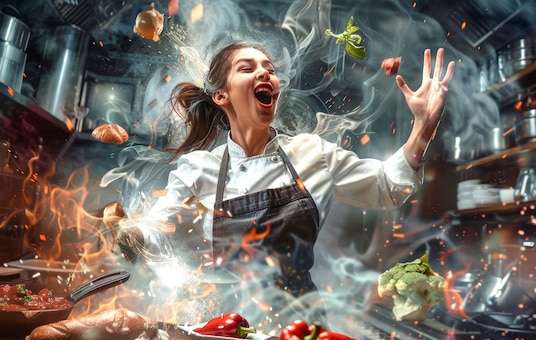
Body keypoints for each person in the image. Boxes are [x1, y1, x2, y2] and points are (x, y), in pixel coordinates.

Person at [107, 41, 454, 323]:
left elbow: (386, 186)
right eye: (248, 68)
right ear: (221, 96)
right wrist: (134, 235)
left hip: (300, 329)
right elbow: (159, 226)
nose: (266, 73)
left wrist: (423, 127)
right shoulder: (197, 168)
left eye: (270, 69)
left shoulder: (311, 153)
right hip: (220, 327)